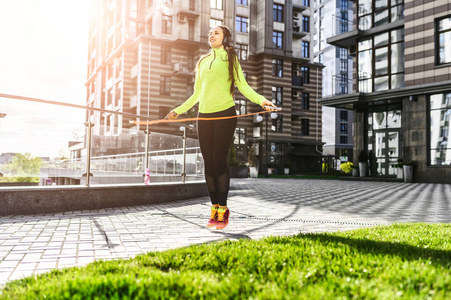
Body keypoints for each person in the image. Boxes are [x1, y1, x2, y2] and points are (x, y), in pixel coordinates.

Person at [165, 25, 277, 230]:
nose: (211, 35)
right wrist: (179, 110)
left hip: (225, 114)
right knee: (208, 164)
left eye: (216, 32)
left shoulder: (230, 57)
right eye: (210, 33)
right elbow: (197, 93)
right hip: (204, 117)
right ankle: (214, 208)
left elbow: (242, 85)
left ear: (225, 37)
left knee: (218, 161)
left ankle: (224, 209)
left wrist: (262, 101)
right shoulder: (202, 61)